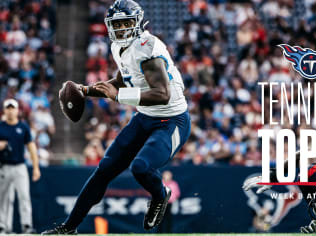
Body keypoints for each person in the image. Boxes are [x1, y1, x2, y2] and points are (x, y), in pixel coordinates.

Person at [42, 0, 190, 234]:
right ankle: (68, 228)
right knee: (104, 170)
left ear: (138, 22)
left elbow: (162, 94)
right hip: (144, 118)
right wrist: (87, 90)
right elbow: (123, 79)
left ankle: (161, 194)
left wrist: (119, 96)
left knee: (141, 167)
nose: (121, 29)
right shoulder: (118, 47)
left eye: (126, 23)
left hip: (171, 121)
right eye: (117, 24)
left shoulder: (146, 46)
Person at [0, 98, 41, 234]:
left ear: (17, 110)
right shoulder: (1, 126)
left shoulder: (23, 127)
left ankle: (27, 225)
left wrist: (36, 167)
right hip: (4, 167)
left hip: (20, 166)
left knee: (24, 196)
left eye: (13, 108)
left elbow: (31, 147)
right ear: (4, 110)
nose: (10, 111)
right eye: (8, 108)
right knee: (4, 198)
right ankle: (3, 226)